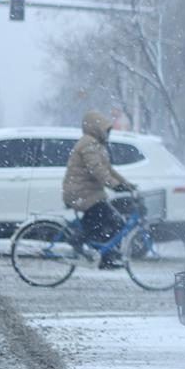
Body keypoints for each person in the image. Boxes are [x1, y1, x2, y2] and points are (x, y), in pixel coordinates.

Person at [63, 111, 136, 269]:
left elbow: (108, 169)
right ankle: (81, 241)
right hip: (81, 193)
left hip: (89, 193)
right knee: (109, 219)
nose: (108, 133)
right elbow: (97, 170)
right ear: (96, 128)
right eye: (106, 130)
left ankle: (105, 256)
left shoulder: (96, 144)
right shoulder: (88, 144)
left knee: (112, 221)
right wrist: (114, 185)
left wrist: (126, 184)